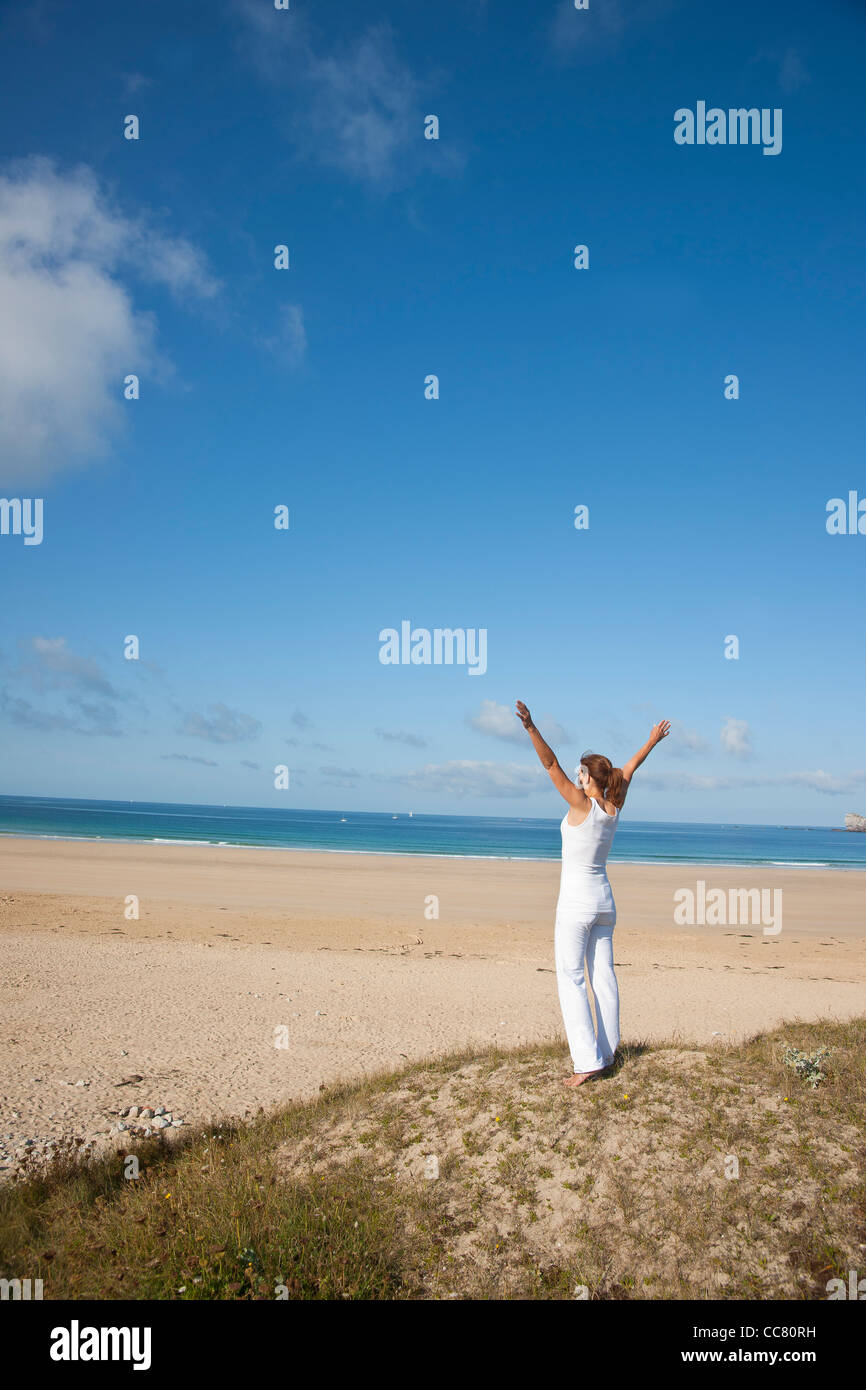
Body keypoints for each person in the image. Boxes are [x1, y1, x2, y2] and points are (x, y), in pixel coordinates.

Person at [515, 701, 670, 1087]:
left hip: (576, 905)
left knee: (572, 978)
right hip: (605, 903)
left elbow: (550, 765)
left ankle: (587, 1063)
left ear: (590, 778)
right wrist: (651, 741)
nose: (576, 774)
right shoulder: (614, 804)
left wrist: (532, 727)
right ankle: (607, 1052)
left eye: (582, 771)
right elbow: (631, 767)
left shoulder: (581, 803)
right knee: (603, 976)